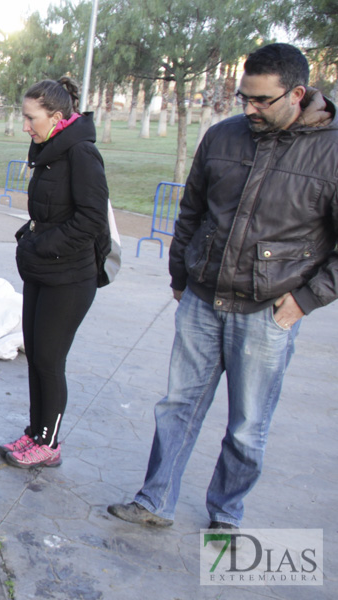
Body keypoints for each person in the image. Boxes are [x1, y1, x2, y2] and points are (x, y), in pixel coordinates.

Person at [108, 43, 338, 530]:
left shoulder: (332, 150)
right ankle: (154, 501)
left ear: (297, 94)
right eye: (243, 98)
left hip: (269, 312)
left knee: (248, 426)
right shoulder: (222, 136)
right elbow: (189, 211)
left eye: (261, 101)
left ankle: (227, 512)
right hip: (202, 301)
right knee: (176, 407)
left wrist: (305, 300)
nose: (249, 109)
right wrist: (179, 278)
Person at [0, 78, 109, 469]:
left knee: (49, 358)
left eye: (31, 118)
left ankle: (49, 442)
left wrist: (41, 244)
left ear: (57, 117)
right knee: (36, 357)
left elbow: (91, 220)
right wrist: (30, 242)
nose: (25, 126)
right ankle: (34, 432)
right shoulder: (48, 151)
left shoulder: (81, 153)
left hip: (72, 278)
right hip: (42, 271)